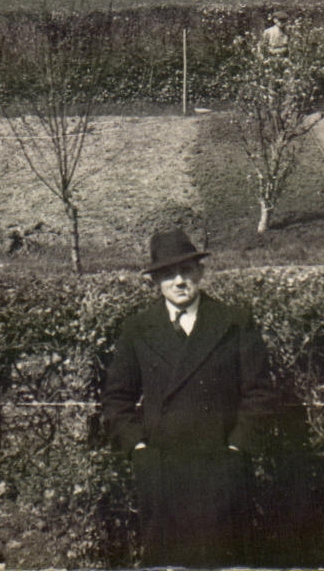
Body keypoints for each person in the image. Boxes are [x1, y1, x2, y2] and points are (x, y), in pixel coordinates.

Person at [102, 229, 278, 568]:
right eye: (169, 274)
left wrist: (238, 448)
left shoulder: (233, 322)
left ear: (200, 272)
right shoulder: (138, 328)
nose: (180, 281)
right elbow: (116, 399)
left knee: (224, 561)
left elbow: (259, 393)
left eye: (186, 271)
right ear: (156, 282)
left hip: (221, 469)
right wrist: (139, 450)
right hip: (163, 471)